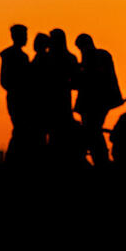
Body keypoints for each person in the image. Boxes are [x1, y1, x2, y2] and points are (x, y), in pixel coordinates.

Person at [73, 33, 123, 167]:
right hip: (102, 102)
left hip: (95, 103)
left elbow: (89, 80)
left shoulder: (92, 58)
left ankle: (101, 162)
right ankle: (101, 161)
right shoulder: (102, 55)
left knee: (92, 131)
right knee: (93, 131)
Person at [45, 28, 81, 166]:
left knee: (54, 132)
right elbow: (76, 81)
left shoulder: (48, 58)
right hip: (61, 99)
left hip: (53, 100)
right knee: (60, 131)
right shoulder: (70, 58)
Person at [0, 24, 31, 165]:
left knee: (20, 129)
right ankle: (12, 160)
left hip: (17, 96)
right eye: (24, 35)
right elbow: (5, 80)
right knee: (20, 128)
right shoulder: (16, 56)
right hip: (19, 98)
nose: (26, 38)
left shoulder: (12, 55)